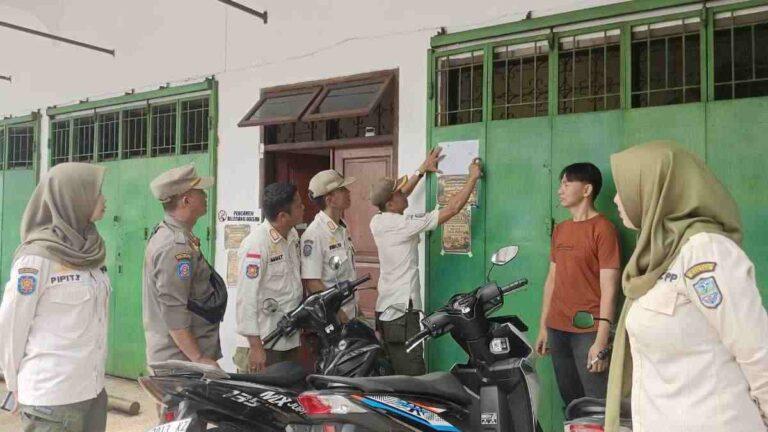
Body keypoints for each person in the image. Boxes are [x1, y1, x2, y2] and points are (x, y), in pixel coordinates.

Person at [604, 140, 768, 432]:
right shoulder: (657, 257)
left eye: (626, 187)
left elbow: (757, 351)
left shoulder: (706, 251)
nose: (617, 199)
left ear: (656, 189)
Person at [0, 163, 111, 432]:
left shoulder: (90, 251)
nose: (104, 200)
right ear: (74, 197)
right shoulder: (37, 257)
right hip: (52, 398)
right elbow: (11, 328)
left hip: (93, 391)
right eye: (97, 193)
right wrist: (14, 386)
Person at [369, 148, 481, 375]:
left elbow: (399, 196)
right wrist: (472, 177)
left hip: (387, 311)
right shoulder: (402, 225)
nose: (405, 194)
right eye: (399, 193)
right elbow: (452, 209)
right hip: (401, 314)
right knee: (413, 375)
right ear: (390, 204)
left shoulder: (378, 220)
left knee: (397, 372)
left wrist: (421, 170)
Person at [535, 162, 621, 406]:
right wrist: (543, 326)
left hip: (589, 332)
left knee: (596, 405)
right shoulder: (561, 229)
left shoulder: (603, 229)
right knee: (571, 403)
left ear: (586, 190)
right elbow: (552, 279)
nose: (560, 189)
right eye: (560, 183)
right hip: (557, 329)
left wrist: (602, 341)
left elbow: (610, 289)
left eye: (566, 183)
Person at [142, 164, 222, 371]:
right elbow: (174, 309)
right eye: (200, 192)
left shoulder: (178, 236)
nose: (206, 196)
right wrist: (198, 358)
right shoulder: (175, 248)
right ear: (186, 200)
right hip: (181, 362)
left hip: (184, 358)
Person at [235, 183, 304, 373]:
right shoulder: (256, 244)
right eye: (298, 205)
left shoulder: (292, 236)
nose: (303, 207)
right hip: (263, 343)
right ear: (282, 216)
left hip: (287, 338)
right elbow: (245, 298)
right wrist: (255, 346)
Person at [301, 170, 358, 323]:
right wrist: (337, 313)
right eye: (342, 189)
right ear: (330, 200)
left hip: (349, 313)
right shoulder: (314, 234)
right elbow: (312, 282)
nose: (348, 192)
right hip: (332, 318)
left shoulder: (341, 228)